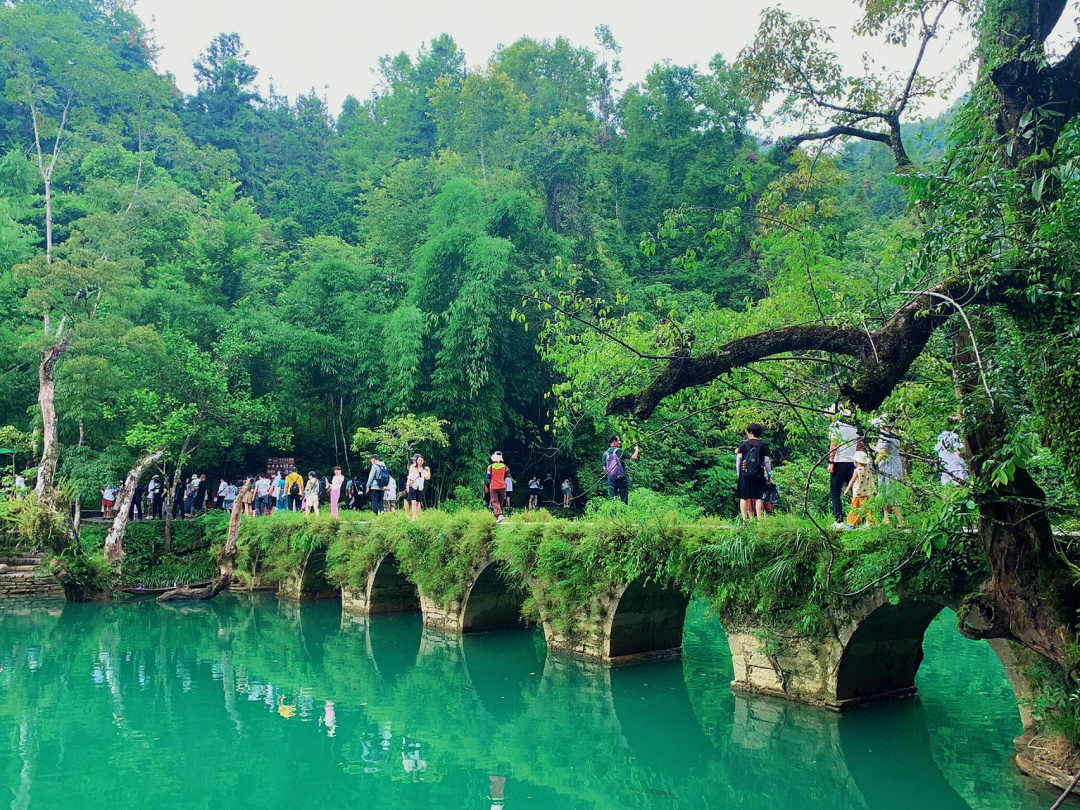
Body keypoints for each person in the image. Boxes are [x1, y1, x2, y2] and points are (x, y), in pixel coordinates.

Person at [827, 405, 860, 529]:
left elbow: (833, 445)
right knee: (854, 492)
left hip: (839, 461)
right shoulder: (854, 427)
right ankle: (855, 520)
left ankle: (839, 521)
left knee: (835, 493)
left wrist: (831, 462)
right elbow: (858, 446)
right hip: (852, 463)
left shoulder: (835, 426)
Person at [873, 416, 905, 525]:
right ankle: (886, 518)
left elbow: (883, 452)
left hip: (888, 467)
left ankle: (900, 519)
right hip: (895, 465)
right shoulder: (894, 436)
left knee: (890, 492)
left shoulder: (885, 436)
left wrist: (874, 463)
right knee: (885, 492)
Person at [736, 423, 772, 519]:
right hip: (758, 474)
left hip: (744, 473)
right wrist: (769, 476)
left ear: (751, 432)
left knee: (744, 497)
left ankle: (744, 520)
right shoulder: (764, 446)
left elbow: (739, 459)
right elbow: (767, 462)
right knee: (758, 497)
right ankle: (760, 521)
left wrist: (739, 473)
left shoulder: (744, 444)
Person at [843, 450, 876, 527]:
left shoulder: (857, 470)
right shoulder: (868, 470)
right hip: (867, 493)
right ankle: (871, 523)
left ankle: (852, 523)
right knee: (868, 508)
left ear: (856, 462)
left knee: (855, 508)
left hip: (858, 493)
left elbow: (852, 480)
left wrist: (847, 489)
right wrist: (874, 490)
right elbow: (871, 480)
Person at [603, 435, 640, 504]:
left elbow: (604, 468)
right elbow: (634, 457)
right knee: (624, 498)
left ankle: (614, 513)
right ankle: (624, 513)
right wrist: (637, 449)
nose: (619, 442)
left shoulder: (605, 454)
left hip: (611, 479)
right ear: (614, 442)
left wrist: (611, 474)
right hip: (622, 478)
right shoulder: (620, 451)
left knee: (613, 499)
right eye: (618, 440)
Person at [486, 451, 510, 524]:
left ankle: (499, 515)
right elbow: (507, 474)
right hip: (502, 486)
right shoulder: (504, 466)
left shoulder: (490, 467)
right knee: (500, 502)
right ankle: (497, 517)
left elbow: (488, 477)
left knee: (495, 501)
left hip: (493, 486)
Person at [405, 455, 430, 521]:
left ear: (423, 461)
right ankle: (414, 517)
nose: (420, 461)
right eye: (419, 460)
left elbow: (428, 477)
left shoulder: (425, 469)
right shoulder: (413, 467)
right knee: (413, 501)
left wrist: (428, 470)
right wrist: (407, 486)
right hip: (413, 486)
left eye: (421, 460)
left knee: (418, 502)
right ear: (416, 461)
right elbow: (409, 477)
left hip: (420, 487)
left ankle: (417, 516)